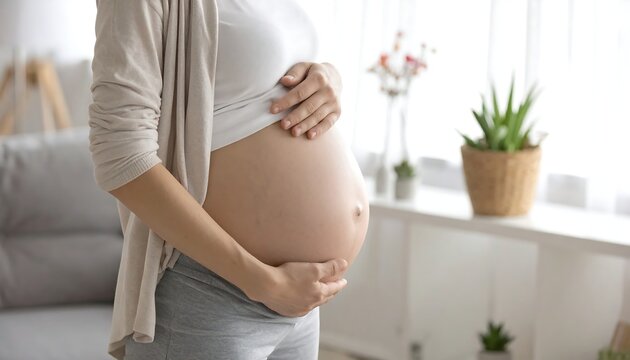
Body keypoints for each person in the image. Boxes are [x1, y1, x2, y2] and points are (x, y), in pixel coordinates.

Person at [88, 0, 370, 359]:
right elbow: (119, 153)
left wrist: (329, 77)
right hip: (211, 293)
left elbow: (261, 73)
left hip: (298, 305)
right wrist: (261, 281)